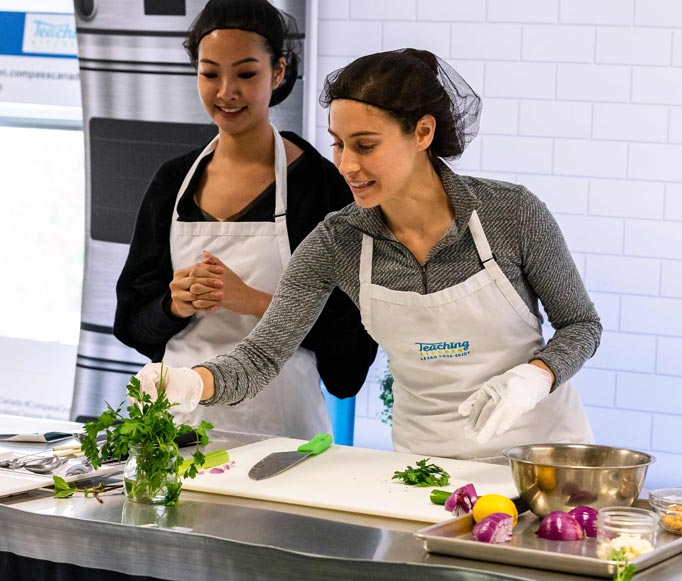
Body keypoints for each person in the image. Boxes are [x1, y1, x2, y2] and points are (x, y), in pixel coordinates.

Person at [135, 48, 601, 460]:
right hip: (427, 466)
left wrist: (534, 378)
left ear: (422, 132)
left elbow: (581, 324)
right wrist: (193, 383)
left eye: (365, 146)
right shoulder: (336, 242)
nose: (346, 165)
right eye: (338, 144)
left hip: (543, 461)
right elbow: (261, 357)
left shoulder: (511, 214)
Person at [113, 0, 377, 439]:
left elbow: (354, 341)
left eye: (246, 73)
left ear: (278, 72)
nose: (226, 92)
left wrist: (252, 301)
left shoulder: (321, 185)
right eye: (209, 74)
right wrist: (174, 305)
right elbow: (132, 323)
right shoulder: (172, 182)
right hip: (177, 426)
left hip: (280, 427)